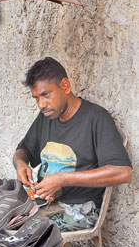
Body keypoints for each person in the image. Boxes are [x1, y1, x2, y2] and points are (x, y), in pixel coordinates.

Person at [13, 57, 132, 231]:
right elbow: (22, 151)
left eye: (46, 95)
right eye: (36, 98)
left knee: (22, 231)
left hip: (80, 209)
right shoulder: (47, 116)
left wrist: (62, 179)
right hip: (46, 204)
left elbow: (123, 172)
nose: (41, 105)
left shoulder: (96, 118)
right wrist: (20, 165)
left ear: (65, 86)